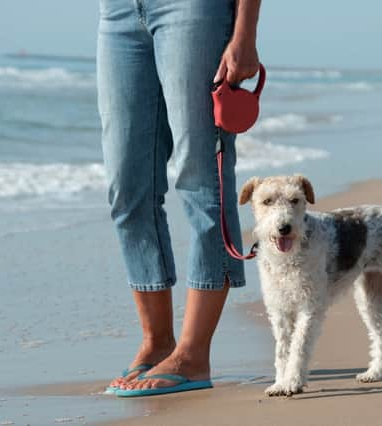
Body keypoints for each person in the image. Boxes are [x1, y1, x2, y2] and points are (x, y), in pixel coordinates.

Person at [96, 0, 261, 395]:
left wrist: (245, 33)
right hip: (117, 11)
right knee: (126, 185)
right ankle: (157, 343)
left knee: (202, 176)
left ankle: (193, 354)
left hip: (193, 10)